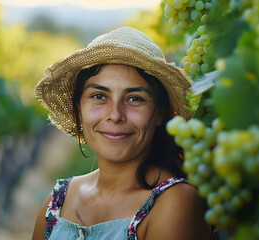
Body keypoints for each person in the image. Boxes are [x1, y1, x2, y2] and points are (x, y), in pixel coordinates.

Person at [32, 27, 211, 240]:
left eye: (134, 98)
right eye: (99, 96)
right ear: (79, 109)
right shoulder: (58, 200)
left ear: (161, 113)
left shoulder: (176, 202)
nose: (115, 115)